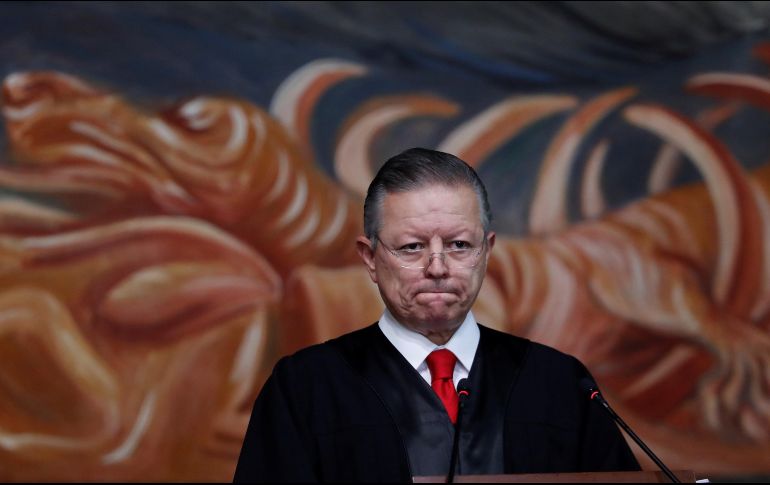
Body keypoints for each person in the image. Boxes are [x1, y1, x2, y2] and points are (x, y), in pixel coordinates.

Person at [233, 148, 640, 482]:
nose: (438, 266)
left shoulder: (561, 384)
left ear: (487, 251)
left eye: (460, 244)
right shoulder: (306, 388)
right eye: (411, 247)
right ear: (370, 258)